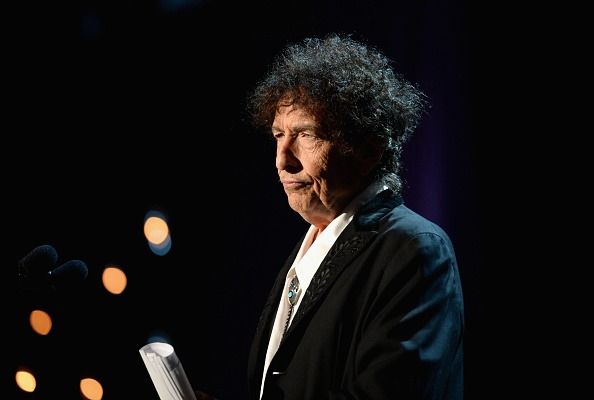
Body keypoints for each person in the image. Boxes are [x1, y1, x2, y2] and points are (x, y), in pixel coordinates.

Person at [245, 33, 464, 400]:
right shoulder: (309, 247)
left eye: (306, 134)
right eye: (278, 135)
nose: (282, 159)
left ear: (368, 146)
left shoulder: (415, 250)